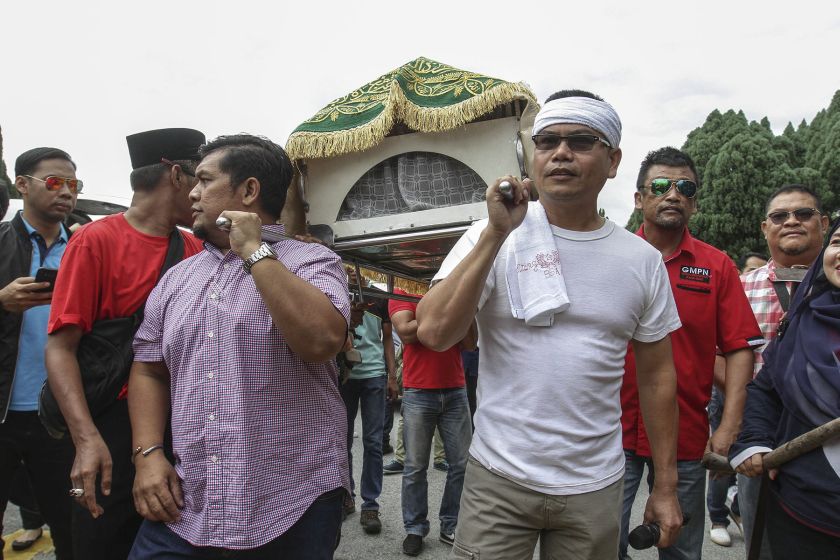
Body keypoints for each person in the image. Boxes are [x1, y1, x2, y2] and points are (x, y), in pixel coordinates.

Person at [416, 90, 683, 559]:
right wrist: (497, 234)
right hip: (498, 476)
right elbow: (435, 333)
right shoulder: (491, 233)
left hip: (594, 485)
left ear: (613, 161)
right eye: (547, 142)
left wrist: (665, 485)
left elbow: (658, 377)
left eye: (580, 141)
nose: (561, 153)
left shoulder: (641, 260)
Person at [126, 134, 350, 558]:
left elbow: (321, 341)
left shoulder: (311, 262)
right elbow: (148, 369)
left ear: (249, 191)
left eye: (205, 180)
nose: (192, 193)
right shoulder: (177, 279)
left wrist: (252, 249)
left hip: (292, 500)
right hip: (190, 502)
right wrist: (148, 455)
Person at [44, 129, 206, 560]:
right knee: (103, 541)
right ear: (176, 175)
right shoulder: (95, 240)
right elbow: (60, 348)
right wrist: (85, 440)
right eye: (199, 178)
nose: (201, 193)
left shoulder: (194, 246)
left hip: (178, 418)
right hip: (109, 423)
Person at [619, 147, 761, 560]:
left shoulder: (717, 266)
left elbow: (739, 348)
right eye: (660, 186)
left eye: (685, 188)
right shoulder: (613, 258)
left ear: (695, 203)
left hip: (685, 434)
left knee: (680, 548)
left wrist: (730, 424)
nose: (673, 194)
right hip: (611, 431)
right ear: (639, 198)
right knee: (600, 544)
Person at [730, 218, 840, 559]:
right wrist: (755, 440)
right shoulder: (803, 321)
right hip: (805, 507)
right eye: (838, 242)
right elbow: (766, 389)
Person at [0, 147, 79, 559]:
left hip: (61, 414)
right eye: (54, 182)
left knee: (72, 527)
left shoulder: (84, 245)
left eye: (73, 184)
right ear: (22, 185)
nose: (66, 192)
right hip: (4, 412)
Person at [389, 289, 474, 556]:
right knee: (415, 467)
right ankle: (415, 528)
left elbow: (471, 342)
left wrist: (463, 307)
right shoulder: (402, 289)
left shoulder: (455, 286)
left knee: (462, 465)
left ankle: (451, 524)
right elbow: (406, 332)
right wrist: (450, 314)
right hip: (418, 391)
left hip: (455, 389)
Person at [342, 268, 397, 534]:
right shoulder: (336, 292)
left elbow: (387, 340)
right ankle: (347, 495)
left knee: (374, 442)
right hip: (344, 375)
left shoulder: (379, 298)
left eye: (357, 270)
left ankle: (370, 504)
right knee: (342, 440)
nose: (353, 273)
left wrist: (392, 375)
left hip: (374, 375)